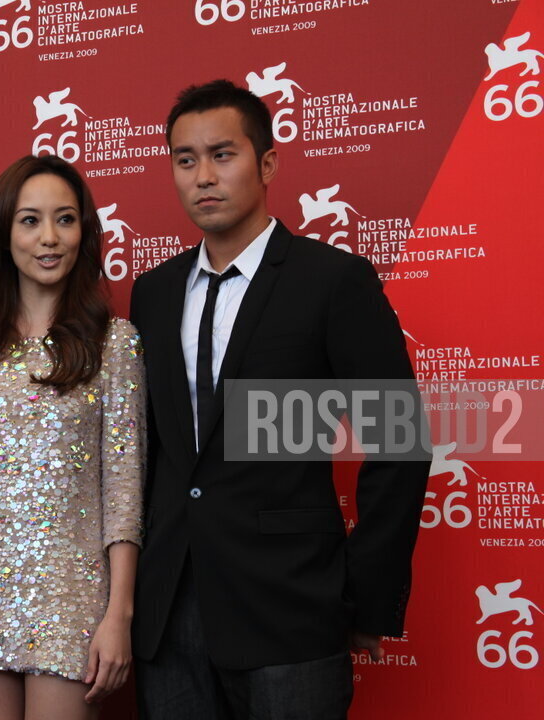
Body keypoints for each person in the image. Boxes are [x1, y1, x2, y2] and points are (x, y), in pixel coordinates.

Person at [129, 79, 430, 719]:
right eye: (185, 160)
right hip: (170, 611)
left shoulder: (331, 281)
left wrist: (366, 596)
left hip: (292, 606)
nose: (203, 176)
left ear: (267, 163)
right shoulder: (152, 293)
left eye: (222, 154)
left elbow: (400, 440)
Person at [0, 155, 145, 720]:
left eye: (65, 220)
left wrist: (119, 614)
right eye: (30, 220)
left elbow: (122, 490)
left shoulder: (114, 343)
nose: (49, 238)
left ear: (83, 234)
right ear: (3, 232)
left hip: (71, 600)